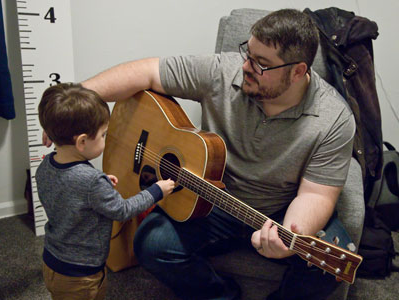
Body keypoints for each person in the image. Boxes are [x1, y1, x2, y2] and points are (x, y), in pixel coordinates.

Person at [72, 8, 355, 300]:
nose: (246, 66)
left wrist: (288, 235)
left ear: (297, 72)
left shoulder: (334, 119)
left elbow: (316, 195)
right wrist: (71, 100)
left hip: (280, 208)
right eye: (248, 53)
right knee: (150, 244)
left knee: (329, 267)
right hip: (211, 200)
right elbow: (145, 71)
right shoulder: (225, 71)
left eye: (261, 64)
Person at [36, 83, 175, 300]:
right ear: (82, 141)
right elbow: (122, 210)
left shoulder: (45, 166)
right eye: (103, 134)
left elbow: (68, 194)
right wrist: (156, 191)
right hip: (82, 274)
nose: (106, 138)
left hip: (53, 261)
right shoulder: (91, 182)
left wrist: (100, 185)